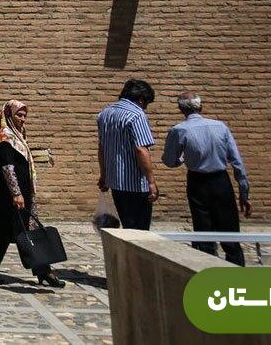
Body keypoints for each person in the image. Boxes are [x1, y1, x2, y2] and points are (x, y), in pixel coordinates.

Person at [0, 100, 65, 288]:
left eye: (25, 115)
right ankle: (42, 271)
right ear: (9, 114)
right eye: (19, 115)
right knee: (15, 232)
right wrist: (16, 193)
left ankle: (41, 272)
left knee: (21, 231)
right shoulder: (4, 137)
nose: (23, 119)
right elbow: (7, 167)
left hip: (21, 192)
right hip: (9, 194)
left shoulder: (18, 136)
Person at [162, 91, 251, 265]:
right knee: (230, 231)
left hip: (197, 183)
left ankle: (207, 271)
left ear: (181, 110)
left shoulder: (179, 130)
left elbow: (170, 161)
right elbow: (237, 161)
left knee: (203, 230)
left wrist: (184, 158)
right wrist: (244, 192)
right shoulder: (220, 127)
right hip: (221, 181)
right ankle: (237, 271)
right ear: (201, 107)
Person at [97, 79, 158, 229]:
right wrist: (151, 182)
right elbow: (141, 149)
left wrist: (104, 176)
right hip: (136, 184)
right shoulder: (137, 115)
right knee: (140, 230)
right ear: (141, 99)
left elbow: (102, 147)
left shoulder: (105, 114)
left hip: (115, 182)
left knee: (127, 225)